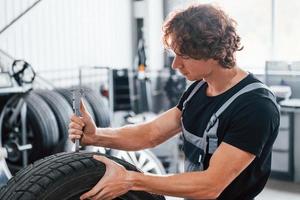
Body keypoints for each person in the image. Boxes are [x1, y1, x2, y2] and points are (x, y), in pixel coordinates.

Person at [69, 3, 280, 200]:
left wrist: (131, 180)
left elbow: (211, 186)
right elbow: (150, 134)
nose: (175, 65)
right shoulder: (199, 88)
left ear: (213, 53)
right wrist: (96, 136)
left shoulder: (256, 107)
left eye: (184, 56)